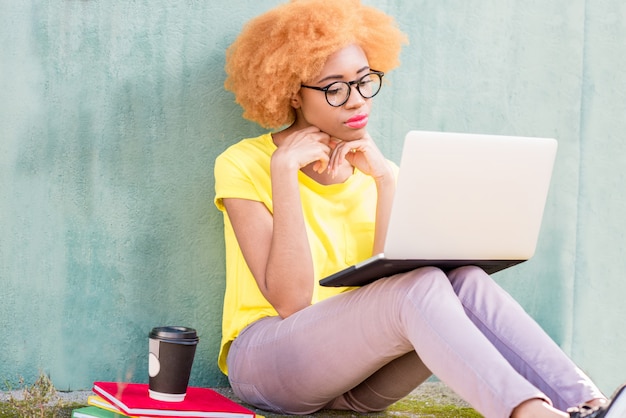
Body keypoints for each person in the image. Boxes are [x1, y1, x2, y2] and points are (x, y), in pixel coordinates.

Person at [213, 1, 625, 417]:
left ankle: (589, 404)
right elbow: (291, 303)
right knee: (422, 284)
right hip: (270, 363)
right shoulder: (244, 163)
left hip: (358, 383)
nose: (357, 101)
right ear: (291, 92)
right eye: (335, 88)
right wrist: (283, 172)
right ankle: (528, 413)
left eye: (364, 81)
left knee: (462, 278)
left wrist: (386, 182)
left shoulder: (381, 172)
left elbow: (379, 295)